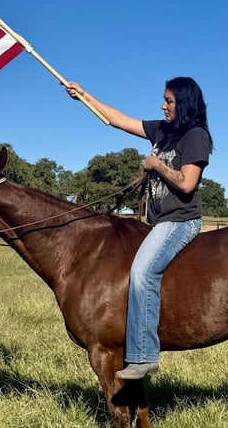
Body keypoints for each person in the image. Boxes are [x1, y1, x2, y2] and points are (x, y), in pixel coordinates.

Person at [65, 77, 213, 380]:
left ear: (183, 103)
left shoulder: (196, 136)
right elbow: (117, 119)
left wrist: (156, 165)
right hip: (156, 222)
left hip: (180, 221)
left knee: (143, 271)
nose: (163, 105)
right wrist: (84, 96)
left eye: (168, 101)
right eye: (164, 100)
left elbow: (187, 183)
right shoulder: (162, 130)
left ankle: (144, 357)